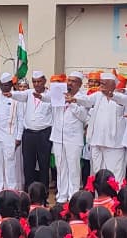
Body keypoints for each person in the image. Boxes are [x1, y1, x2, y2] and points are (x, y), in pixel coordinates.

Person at [77, 72, 127, 180]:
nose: (101, 86)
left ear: (113, 85)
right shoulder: (98, 95)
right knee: (97, 172)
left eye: (104, 83)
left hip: (114, 144)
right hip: (97, 141)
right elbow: (86, 100)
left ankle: (116, 191)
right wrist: (74, 99)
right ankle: (99, 191)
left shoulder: (121, 98)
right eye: (101, 83)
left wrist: (112, 95)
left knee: (116, 173)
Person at [51, 72, 90, 205]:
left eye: (74, 81)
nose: (70, 83)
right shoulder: (59, 95)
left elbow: (84, 117)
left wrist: (72, 103)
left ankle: (73, 195)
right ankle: (62, 194)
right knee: (60, 166)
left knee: (73, 167)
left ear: (79, 84)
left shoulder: (83, 98)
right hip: (58, 136)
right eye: (69, 80)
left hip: (73, 138)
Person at [18, 71, 54, 189]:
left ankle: (43, 192)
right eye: (34, 81)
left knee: (44, 164)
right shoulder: (28, 93)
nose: (37, 84)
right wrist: (9, 94)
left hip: (44, 134)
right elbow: (16, 94)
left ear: (44, 81)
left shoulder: (50, 95)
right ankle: (28, 191)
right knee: (28, 164)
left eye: (39, 81)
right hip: (28, 134)